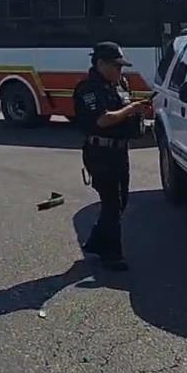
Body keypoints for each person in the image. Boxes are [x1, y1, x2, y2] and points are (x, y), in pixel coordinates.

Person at [72, 42, 143, 271]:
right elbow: (102, 119)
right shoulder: (88, 89)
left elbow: (124, 108)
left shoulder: (119, 84)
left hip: (119, 151)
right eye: (115, 66)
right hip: (100, 153)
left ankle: (96, 242)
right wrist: (130, 110)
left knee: (121, 202)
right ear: (100, 64)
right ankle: (112, 255)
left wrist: (135, 113)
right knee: (112, 203)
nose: (120, 71)